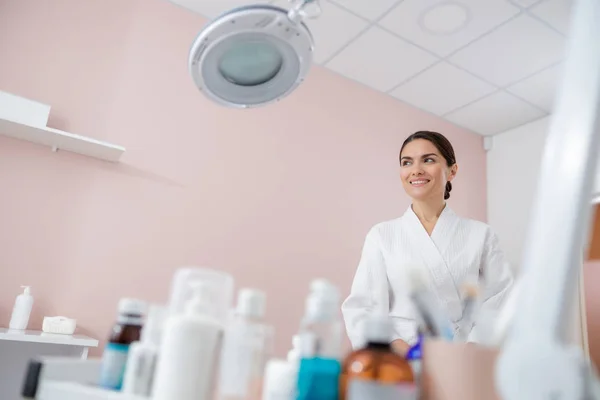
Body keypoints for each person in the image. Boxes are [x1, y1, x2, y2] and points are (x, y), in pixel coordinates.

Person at [341, 131, 514, 356]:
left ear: (452, 171)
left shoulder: (481, 234)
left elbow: (501, 299)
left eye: (428, 160)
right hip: (401, 359)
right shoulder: (382, 235)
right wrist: (406, 351)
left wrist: (469, 352)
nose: (416, 170)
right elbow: (363, 308)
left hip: (463, 357)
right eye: (407, 162)